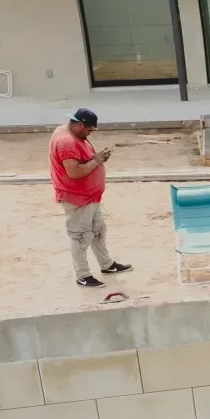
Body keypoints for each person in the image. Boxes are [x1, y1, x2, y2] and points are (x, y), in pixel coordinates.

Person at [49, 108, 130, 288]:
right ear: (79, 125)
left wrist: (96, 158)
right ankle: (83, 275)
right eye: (88, 130)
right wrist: (97, 160)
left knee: (99, 230)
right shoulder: (67, 142)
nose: (90, 133)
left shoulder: (70, 133)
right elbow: (74, 172)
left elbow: (82, 159)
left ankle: (107, 264)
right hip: (77, 198)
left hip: (89, 196)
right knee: (81, 236)